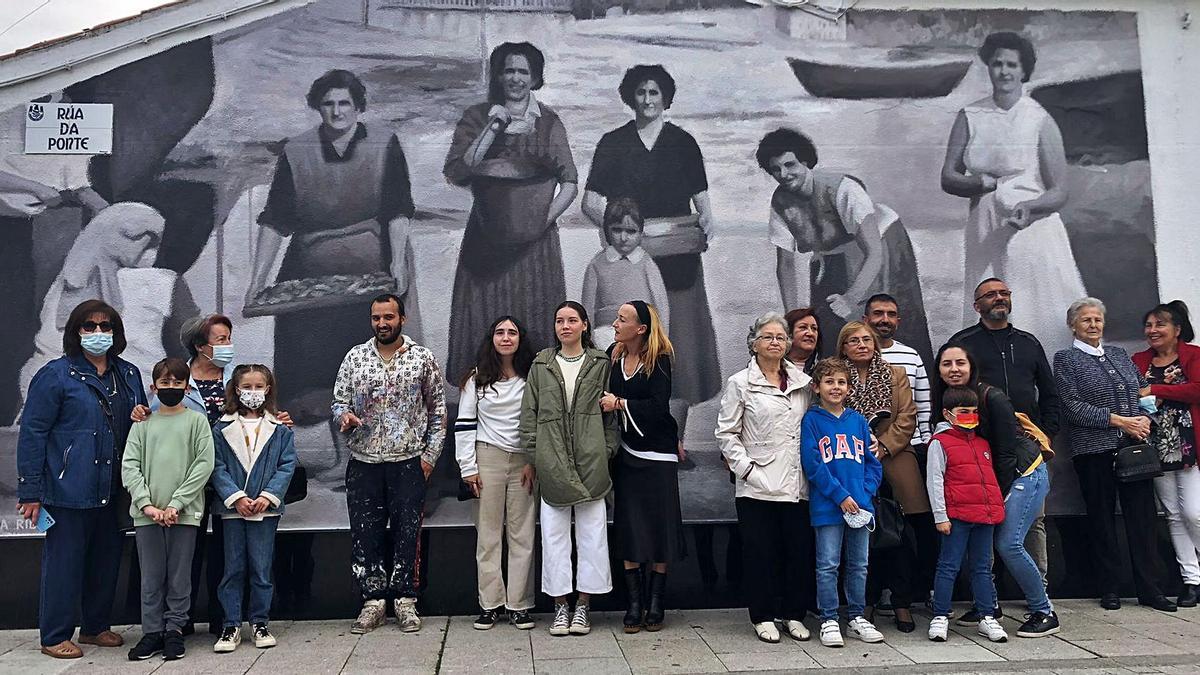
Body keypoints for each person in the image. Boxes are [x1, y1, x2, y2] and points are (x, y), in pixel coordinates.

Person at [252, 69, 421, 423]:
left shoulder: (384, 143)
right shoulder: (297, 151)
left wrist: (398, 267)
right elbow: (275, 220)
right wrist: (257, 281)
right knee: (307, 369)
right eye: (328, 104)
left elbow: (398, 209)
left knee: (370, 369)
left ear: (358, 107)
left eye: (345, 103)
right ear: (318, 107)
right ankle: (322, 452)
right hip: (309, 273)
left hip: (373, 270)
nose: (337, 111)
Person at [583, 63, 721, 441]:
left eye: (654, 93)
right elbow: (590, 202)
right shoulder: (612, 143)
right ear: (631, 97)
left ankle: (673, 441)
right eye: (641, 93)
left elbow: (703, 202)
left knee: (679, 350)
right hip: (630, 260)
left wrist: (707, 222)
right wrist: (620, 229)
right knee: (630, 349)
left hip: (679, 258)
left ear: (666, 99)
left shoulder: (683, 142)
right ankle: (626, 438)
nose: (647, 100)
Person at [17, 299, 147, 659]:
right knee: (64, 564)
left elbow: (136, 427)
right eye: (88, 327)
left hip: (114, 487)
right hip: (68, 488)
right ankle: (54, 634)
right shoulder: (55, 375)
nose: (97, 333)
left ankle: (95, 627)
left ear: (116, 333)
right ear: (75, 332)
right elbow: (33, 431)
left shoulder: (129, 374)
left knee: (106, 561)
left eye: (105, 327)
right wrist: (31, 490)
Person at [443, 42, 578, 381]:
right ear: (498, 76)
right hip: (485, 239)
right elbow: (459, 171)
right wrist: (492, 127)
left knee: (532, 318)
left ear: (534, 78)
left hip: (536, 248)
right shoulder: (477, 117)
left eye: (523, 71)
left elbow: (570, 183)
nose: (515, 78)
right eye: (508, 70)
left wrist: (540, 221)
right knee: (483, 321)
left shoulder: (548, 123)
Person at [941, 31, 1086, 342]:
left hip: (1031, 225)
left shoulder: (1038, 119)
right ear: (988, 68)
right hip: (985, 225)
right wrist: (979, 182)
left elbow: (1060, 189)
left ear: (1024, 71)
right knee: (989, 300)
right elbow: (948, 177)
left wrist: (1030, 208)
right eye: (997, 64)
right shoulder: (970, 115)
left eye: (1011, 64)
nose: (1004, 71)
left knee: (1037, 306)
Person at [757, 127, 929, 358]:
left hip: (883, 243)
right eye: (775, 169)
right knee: (828, 326)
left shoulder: (843, 189)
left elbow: (874, 253)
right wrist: (791, 318)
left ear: (805, 161)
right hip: (831, 253)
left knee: (880, 322)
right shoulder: (780, 202)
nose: (784, 174)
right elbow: (786, 265)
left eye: (790, 165)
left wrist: (850, 298)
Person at [332, 294, 447, 634]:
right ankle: (373, 602)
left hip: (408, 462)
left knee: (407, 533)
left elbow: (438, 411)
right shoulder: (355, 357)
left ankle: (405, 600)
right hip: (364, 462)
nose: (382, 324)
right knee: (365, 534)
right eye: (376, 318)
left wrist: (428, 458)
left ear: (402, 319)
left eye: (388, 317)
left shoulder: (422, 359)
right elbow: (338, 401)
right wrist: (345, 415)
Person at [1054, 297, 1175, 612]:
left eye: (1097, 320)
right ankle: (1109, 589)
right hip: (1093, 450)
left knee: (1142, 519)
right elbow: (1072, 406)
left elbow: (1141, 391)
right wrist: (1119, 420)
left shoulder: (1120, 355)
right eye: (1086, 320)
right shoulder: (1066, 359)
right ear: (1073, 326)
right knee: (1102, 519)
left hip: (1133, 449)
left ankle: (1151, 588)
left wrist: (1145, 418)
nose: (1093, 325)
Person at [932, 343, 1061, 637]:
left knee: (1009, 543)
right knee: (983, 549)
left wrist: (993, 497)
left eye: (960, 363)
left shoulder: (993, 397)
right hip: (990, 483)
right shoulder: (948, 401)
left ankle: (1044, 611)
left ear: (971, 366)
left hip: (1023, 473)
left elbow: (1005, 454)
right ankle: (987, 606)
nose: (954, 369)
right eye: (946, 364)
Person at [948, 276, 1057, 592]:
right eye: (990, 294)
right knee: (982, 518)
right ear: (976, 305)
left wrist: (1046, 433)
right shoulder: (964, 343)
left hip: (1028, 447)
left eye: (1003, 293)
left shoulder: (1028, 342)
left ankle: (1038, 590)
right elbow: (954, 394)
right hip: (983, 445)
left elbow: (1049, 393)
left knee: (1034, 521)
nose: (998, 298)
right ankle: (987, 595)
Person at [519, 301, 617, 637]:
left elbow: (611, 416)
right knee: (554, 536)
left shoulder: (601, 363)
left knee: (592, 536)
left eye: (572, 320)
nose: (565, 326)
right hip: (552, 463)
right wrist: (537, 456)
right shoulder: (542, 364)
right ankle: (560, 606)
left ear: (585, 325)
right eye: (559, 320)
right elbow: (528, 416)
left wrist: (605, 451)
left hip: (592, 462)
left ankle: (583, 607)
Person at [715, 312, 815, 643]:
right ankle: (762, 615)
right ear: (753, 344)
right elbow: (727, 433)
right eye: (767, 337)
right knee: (760, 552)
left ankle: (793, 614)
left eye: (780, 337)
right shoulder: (739, 383)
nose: (775, 342)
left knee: (797, 551)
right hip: (757, 484)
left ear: (788, 344)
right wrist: (745, 469)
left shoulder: (803, 383)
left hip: (797, 482)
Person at [836, 321, 929, 632]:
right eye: (854, 340)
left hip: (895, 461)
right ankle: (867, 602)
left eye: (867, 339)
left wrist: (885, 446)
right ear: (843, 347)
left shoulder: (895, 374)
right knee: (863, 537)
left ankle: (902, 603)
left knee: (900, 537)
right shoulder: (836, 377)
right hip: (852, 465)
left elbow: (907, 416)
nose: (862, 344)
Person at [121, 357, 215, 661]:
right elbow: (130, 466)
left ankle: (174, 630)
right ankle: (151, 632)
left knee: (179, 576)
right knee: (151, 576)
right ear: (154, 386)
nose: (171, 387)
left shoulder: (197, 421)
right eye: (165, 382)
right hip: (146, 516)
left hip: (184, 515)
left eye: (177, 382)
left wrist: (176, 503)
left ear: (187, 388)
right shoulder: (143, 423)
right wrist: (146, 504)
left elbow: (204, 464)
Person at [602, 301, 684, 633]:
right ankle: (634, 604)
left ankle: (656, 602)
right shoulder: (614, 355)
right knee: (630, 524)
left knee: (660, 525)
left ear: (641, 329)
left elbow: (656, 406)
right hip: (627, 453)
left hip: (658, 455)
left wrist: (619, 403)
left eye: (622, 319)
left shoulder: (659, 361)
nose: (615, 323)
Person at [454, 316, 538, 631]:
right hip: (486, 458)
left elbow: (540, 423)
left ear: (520, 339)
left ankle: (519, 606)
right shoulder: (476, 380)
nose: (506, 338)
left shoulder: (533, 378)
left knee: (522, 535)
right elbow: (463, 426)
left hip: (523, 463)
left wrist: (533, 460)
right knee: (488, 536)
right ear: (492, 339)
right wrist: (468, 468)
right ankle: (490, 605)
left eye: (512, 332)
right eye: (500, 332)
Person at [210, 364, 298, 652]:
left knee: (261, 568)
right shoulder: (221, 428)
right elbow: (217, 466)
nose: (252, 392)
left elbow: (287, 466)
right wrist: (235, 496)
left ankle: (260, 622)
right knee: (233, 568)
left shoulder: (280, 429)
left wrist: (269, 495)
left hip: (266, 509)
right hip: (234, 509)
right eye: (246, 387)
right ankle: (231, 624)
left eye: (258, 386)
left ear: (268, 389)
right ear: (236, 389)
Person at [801, 357, 884, 648]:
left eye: (841, 382)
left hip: (860, 508)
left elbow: (873, 465)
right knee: (828, 564)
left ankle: (857, 617)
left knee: (859, 564)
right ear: (816, 386)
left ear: (849, 388)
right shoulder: (812, 420)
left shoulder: (858, 421)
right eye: (829, 382)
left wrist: (863, 495)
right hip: (828, 507)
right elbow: (813, 465)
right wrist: (841, 497)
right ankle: (829, 619)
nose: (836, 388)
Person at [925, 386, 1008, 644]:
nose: (970, 416)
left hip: (985, 515)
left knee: (983, 568)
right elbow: (934, 480)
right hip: (957, 515)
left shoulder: (982, 443)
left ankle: (987, 616)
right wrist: (941, 515)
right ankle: (940, 615)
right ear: (947, 414)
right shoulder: (940, 443)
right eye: (963, 412)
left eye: (973, 411)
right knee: (948, 566)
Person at [1132, 301, 1200, 608]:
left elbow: (1196, 390)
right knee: (1172, 514)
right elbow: (1132, 392)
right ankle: (1191, 580)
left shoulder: (1194, 356)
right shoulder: (1138, 360)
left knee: (1193, 513)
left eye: (1160, 324)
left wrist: (1156, 391)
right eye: (1148, 325)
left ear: (1177, 329)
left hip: (1189, 445)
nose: (1152, 331)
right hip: (1155, 445)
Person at [582, 199, 670, 348]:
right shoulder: (596, 265)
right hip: (606, 335)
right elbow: (587, 308)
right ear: (607, 230)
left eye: (631, 231)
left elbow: (661, 304)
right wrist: (588, 342)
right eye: (617, 230)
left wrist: (661, 341)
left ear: (640, 233)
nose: (623, 238)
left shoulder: (646, 263)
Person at [784, 307, 821, 374]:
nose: (810, 333)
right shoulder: (772, 369)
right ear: (788, 333)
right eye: (803, 327)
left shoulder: (824, 371)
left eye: (814, 328)